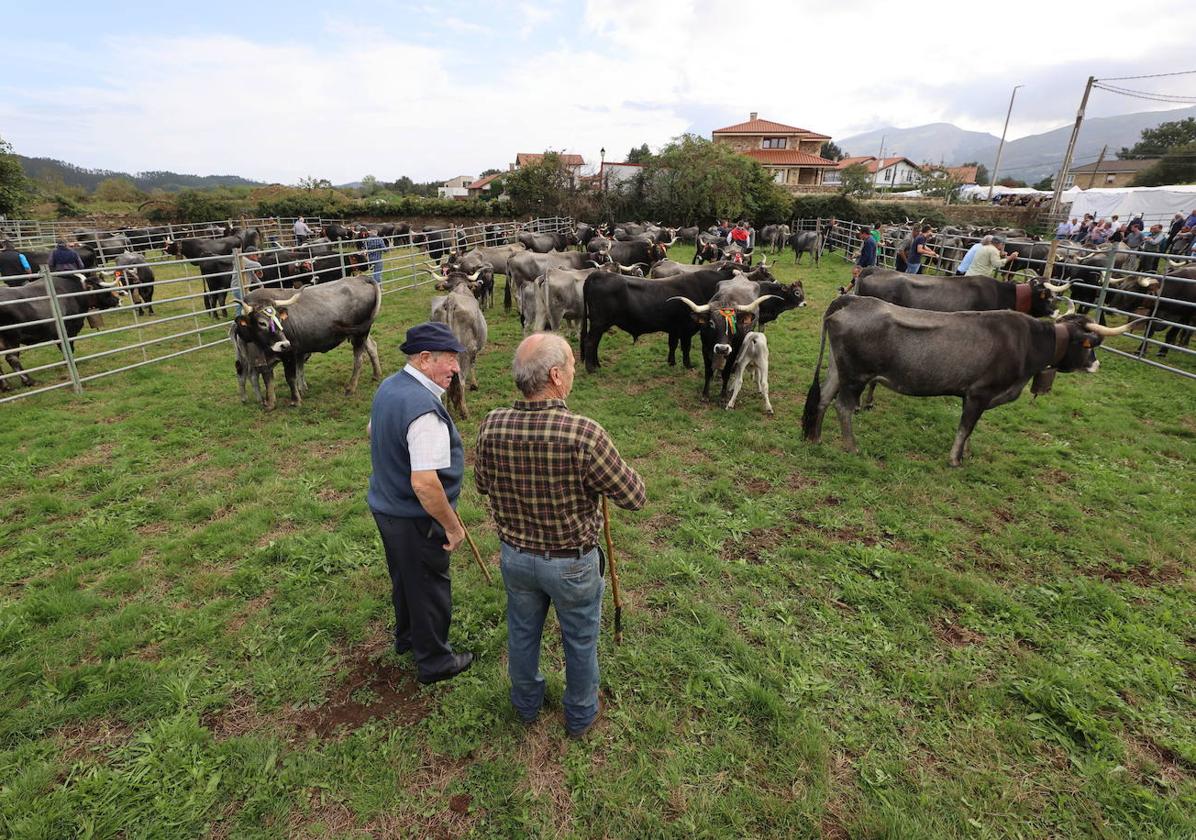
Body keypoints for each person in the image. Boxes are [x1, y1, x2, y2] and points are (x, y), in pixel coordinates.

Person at [475, 333, 646, 739]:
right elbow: (634, 496)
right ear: (555, 375)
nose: (572, 372)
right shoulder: (584, 433)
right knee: (581, 640)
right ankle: (581, 715)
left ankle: (526, 705)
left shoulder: (491, 424)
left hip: (515, 557)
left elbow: (482, 484)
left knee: (521, 633)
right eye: (570, 365)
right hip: (571, 563)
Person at [368, 322, 474, 685]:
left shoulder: (391, 386)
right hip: (414, 516)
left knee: (406, 578)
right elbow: (426, 484)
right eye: (450, 361)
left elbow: (372, 430)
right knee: (429, 586)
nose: (456, 369)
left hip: (386, 508)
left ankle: (408, 637)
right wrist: (452, 524)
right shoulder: (424, 409)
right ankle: (434, 661)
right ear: (425, 358)